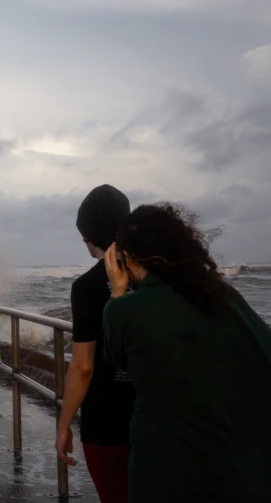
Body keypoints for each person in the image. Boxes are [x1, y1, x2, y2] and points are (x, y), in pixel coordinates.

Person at [103, 203, 271, 502]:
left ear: (125, 259)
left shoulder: (124, 310)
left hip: (166, 472)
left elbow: (116, 358)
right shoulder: (226, 297)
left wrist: (117, 293)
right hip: (245, 470)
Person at [56, 184, 136, 503]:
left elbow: (83, 367)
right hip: (157, 417)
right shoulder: (154, 279)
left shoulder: (87, 287)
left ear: (88, 238)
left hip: (106, 424)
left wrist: (64, 425)